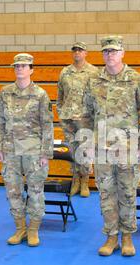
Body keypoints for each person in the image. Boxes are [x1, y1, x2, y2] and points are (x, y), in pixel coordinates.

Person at [83, 35, 140, 257]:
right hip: (102, 149)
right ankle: (111, 236)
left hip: (128, 149)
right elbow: (86, 115)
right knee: (106, 193)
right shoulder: (93, 80)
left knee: (127, 193)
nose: (110, 55)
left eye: (114, 51)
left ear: (123, 53)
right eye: (106, 51)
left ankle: (127, 237)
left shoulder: (136, 79)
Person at [0, 53, 54, 247]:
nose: (19, 69)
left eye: (23, 66)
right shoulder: (5, 93)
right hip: (10, 150)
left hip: (34, 151)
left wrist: (46, 153)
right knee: (13, 190)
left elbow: (47, 125)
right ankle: (20, 228)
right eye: (16, 66)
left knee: (35, 190)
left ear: (31, 69)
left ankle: (34, 229)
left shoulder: (40, 94)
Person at [57, 42, 99, 197]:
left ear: (86, 53)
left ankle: (85, 182)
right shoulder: (65, 72)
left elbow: (98, 97)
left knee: (86, 150)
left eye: (80, 50)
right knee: (73, 150)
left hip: (86, 119)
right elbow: (60, 95)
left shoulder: (94, 72)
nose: (77, 53)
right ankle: (75, 180)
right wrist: (61, 112)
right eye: (74, 50)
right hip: (68, 119)